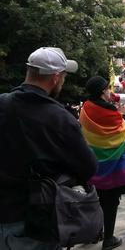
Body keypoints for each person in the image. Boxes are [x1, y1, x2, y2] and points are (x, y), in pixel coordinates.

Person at [0, 47, 97, 250]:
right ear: (55, 78)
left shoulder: (3, 103)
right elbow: (88, 167)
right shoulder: (59, 118)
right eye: (63, 76)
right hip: (37, 219)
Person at [80, 76, 125, 249]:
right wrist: (122, 115)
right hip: (111, 168)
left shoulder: (85, 108)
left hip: (92, 164)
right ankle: (108, 239)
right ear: (103, 91)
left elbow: (87, 132)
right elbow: (122, 132)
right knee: (110, 203)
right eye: (109, 88)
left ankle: (94, 233)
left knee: (94, 201)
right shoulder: (110, 111)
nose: (111, 91)